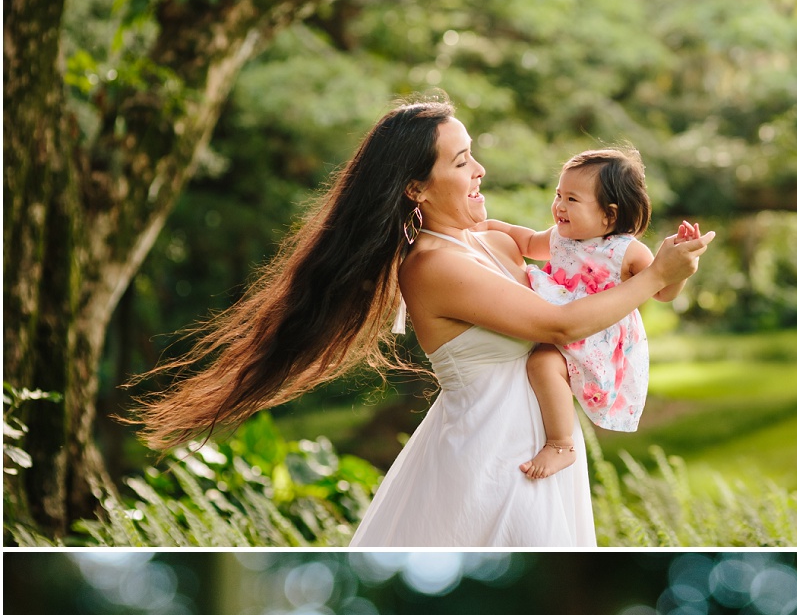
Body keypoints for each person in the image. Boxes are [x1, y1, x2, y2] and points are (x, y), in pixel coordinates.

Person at [137, 99, 711, 550]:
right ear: (415, 186)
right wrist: (654, 272)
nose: (479, 169)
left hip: (540, 447)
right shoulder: (433, 266)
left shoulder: (492, 241)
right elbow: (559, 325)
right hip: (493, 458)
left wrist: (656, 269)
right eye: (461, 162)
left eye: (473, 154)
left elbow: (590, 269)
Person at [485, 145, 688, 481]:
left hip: (597, 335)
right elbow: (525, 241)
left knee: (541, 364)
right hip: (560, 324)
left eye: (572, 200)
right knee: (536, 364)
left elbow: (663, 289)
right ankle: (555, 434)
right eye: (558, 195)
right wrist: (488, 225)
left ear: (609, 214)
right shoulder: (558, 238)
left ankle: (561, 444)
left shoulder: (627, 250)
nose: (559, 206)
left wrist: (679, 267)